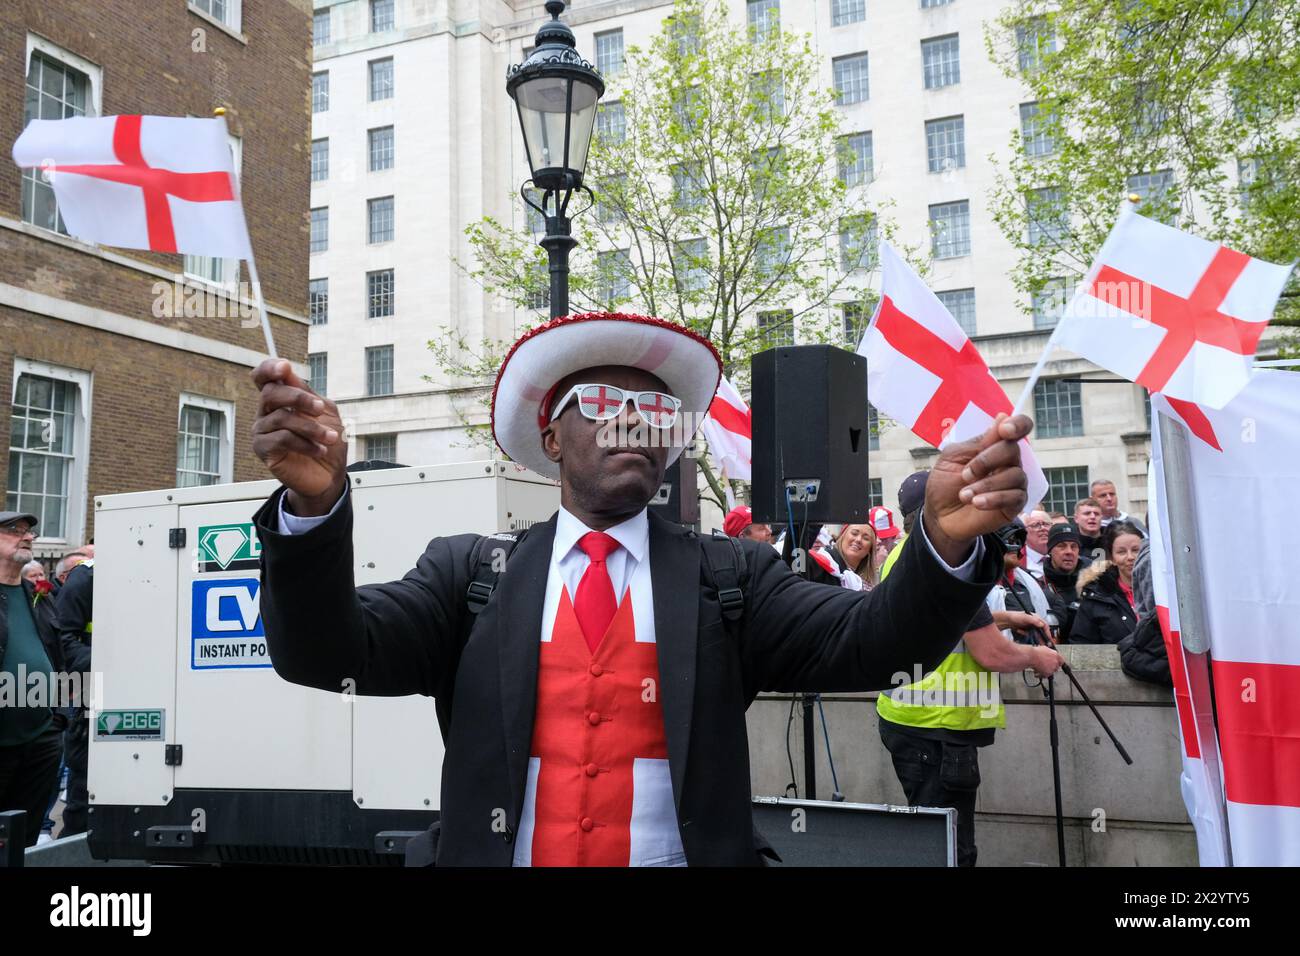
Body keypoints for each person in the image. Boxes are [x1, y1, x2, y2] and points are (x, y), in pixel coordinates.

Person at [248, 311, 1035, 867]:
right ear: (552, 438)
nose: (633, 422)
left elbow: (878, 645)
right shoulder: (469, 577)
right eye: (601, 405)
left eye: (656, 409)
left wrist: (942, 545)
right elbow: (324, 652)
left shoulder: (732, 577)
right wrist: (316, 508)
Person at [875, 516, 1062, 867]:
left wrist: (1007, 618)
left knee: (932, 842)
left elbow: (954, 622)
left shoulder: (905, 554)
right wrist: (1037, 657)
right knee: (951, 852)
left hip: (912, 722)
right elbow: (991, 652)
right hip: (939, 730)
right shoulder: (948, 565)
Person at [0, 512, 76, 849]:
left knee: (24, 836)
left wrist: (57, 718)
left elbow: (59, 658)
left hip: (41, 736)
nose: (27, 536)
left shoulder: (39, 595)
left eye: (29, 530)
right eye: (14, 530)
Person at [52, 555, 94, 836]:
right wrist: (107, 664)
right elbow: (62, 638)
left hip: (151, 689)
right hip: (93, 692)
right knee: (85, 783)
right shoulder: (86, 578)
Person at [1070, 521, 1144, 645]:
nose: (1130, 557)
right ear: (1111, 558)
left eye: (1136, 550)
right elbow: (1081, 647)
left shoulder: (1164, 591)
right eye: (1121, 552)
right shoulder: (1096, 597)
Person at [985, 520, 1052, 642]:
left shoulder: (1029, 585)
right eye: (1009, 539)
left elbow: (1043, 636)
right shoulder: (971, 583)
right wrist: (1009, 620)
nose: (1015, 545)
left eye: (1018, 540)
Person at [1039, 522, 1092, 642]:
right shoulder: (1038, 585)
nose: (1069, 551)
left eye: (1074, 546)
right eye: (1061, 546)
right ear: (1050, 550)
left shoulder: (1094, 584)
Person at [809, 521, 880, 591]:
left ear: (870, 549)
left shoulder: (868, 586)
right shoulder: (817, 563)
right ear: (842, 536)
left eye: (866, 538)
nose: (858, 540)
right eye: (854, 533)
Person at [1023, 509, 1051, 581]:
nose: (1043, 528)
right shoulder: (1017, 560)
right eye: (1035, 525)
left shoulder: (1060, 555)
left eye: (1046, 524)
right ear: (1023, 531)